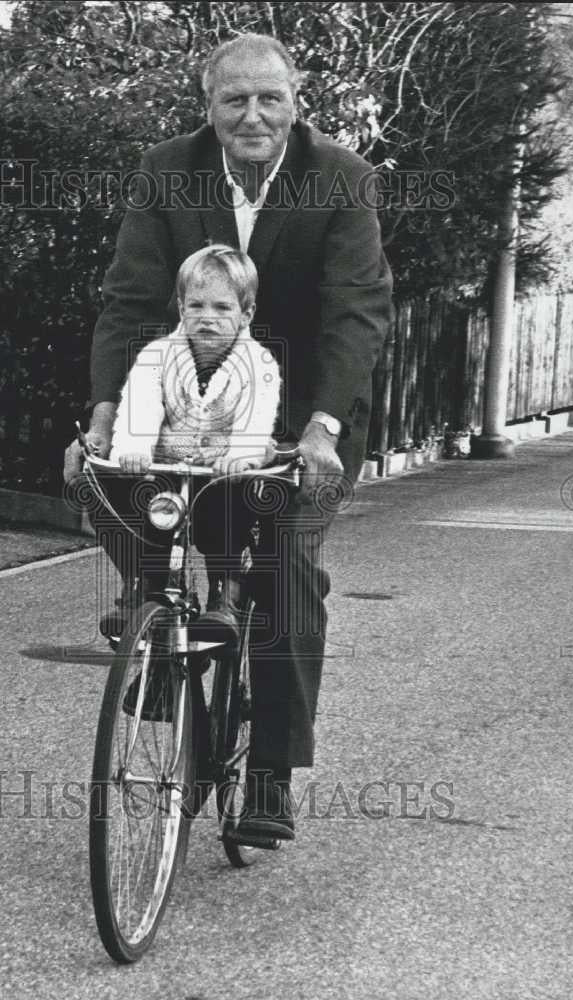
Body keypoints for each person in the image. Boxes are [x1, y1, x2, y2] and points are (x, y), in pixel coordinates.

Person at [65, 32, 393, 841]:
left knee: (283, 568)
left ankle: (270, 775)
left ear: (295, 102)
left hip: (300, 416)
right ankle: (157, 603)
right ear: (207, 106)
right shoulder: (166, 169)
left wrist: (320, 427)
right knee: (94, 477)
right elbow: (130, 296)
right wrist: (106, 411)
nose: (252, 116)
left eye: (268, 99)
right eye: (233, 100)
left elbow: (357, 309)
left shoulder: (342, 180)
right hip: (184, 404)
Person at [107, 241, 281, 643]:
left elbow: (256, 420)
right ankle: (144, 588)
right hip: (168, 463)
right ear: (181, 307)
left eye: (222, 308)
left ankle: (225, 591)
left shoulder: (258, 364)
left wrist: (240, 454)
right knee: (146, 503)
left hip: (219, 471)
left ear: (245, 314)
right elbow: (141, 404)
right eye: (196, 306)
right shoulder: (158, 356)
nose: (208, 318)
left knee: (227, 507)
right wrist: (132, 449)